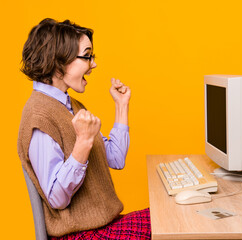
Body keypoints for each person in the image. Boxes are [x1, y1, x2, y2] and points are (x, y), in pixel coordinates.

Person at [17, 18, 151, 239]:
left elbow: (116, 158)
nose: (93, 63)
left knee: (169, 216)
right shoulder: (39, 115)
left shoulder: (71, 105)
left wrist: (121, 105)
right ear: (58, 61)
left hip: (104, 224)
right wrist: (83, 144)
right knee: (170, 227)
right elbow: (56, 198)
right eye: (87, 55)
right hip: (81, 234)